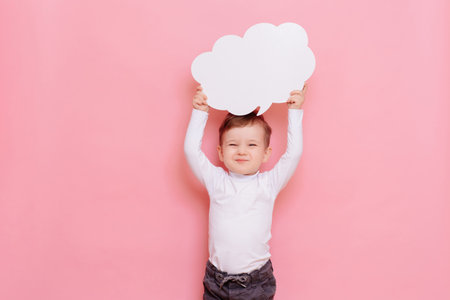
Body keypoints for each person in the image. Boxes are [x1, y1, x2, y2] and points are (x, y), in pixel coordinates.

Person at [184, 84, 307, 299]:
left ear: (266, 153)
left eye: (251, 145)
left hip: (255, 283)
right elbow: (191, 152)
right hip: (216, 281)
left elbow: (293, 154)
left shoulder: (269, 184)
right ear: (221, 152)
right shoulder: (216, 181)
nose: (241, 151)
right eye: (233, 144)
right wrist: (200, 111)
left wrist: (294, 111)